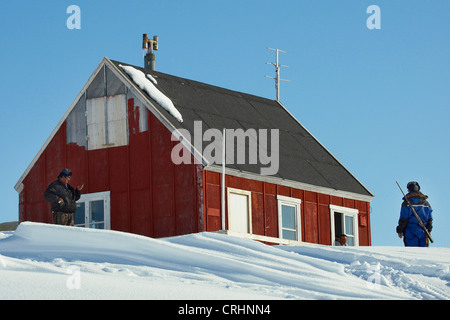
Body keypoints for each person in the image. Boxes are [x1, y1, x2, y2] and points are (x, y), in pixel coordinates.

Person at [396, 181, 433, 247]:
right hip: (423, 232)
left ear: (409, 190)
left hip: (410, 232)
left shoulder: (406, 203)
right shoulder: (426, 203)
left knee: (412, 254)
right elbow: (430, 218)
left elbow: (403, 219)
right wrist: (429, 229)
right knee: (423, 254)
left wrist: (400, 230)